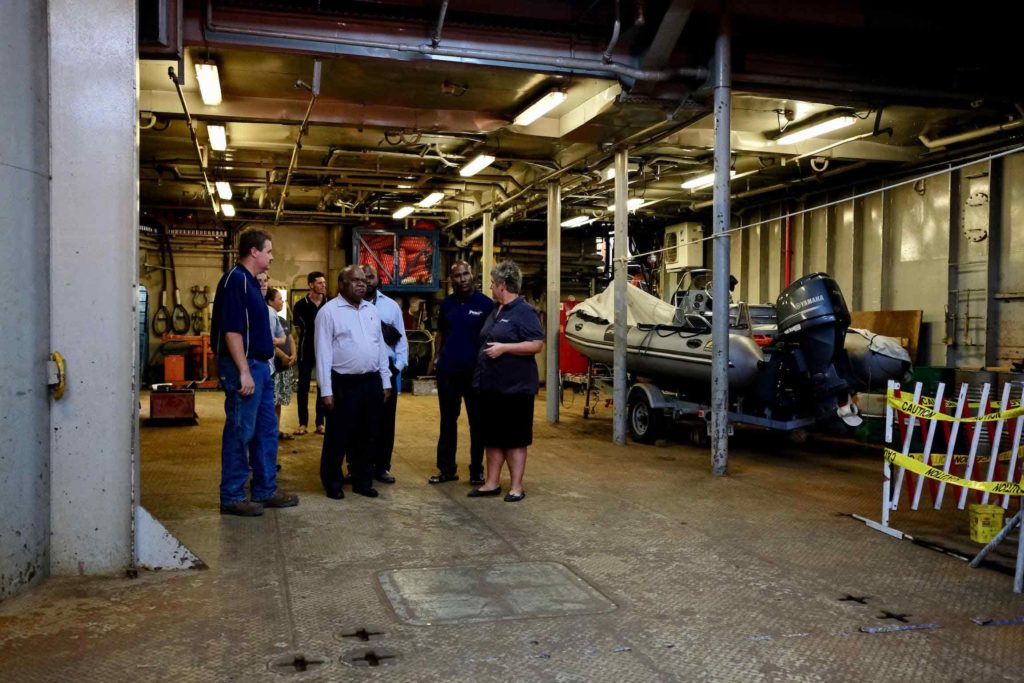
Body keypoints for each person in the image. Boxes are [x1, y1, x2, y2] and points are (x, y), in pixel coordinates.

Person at [210, 229, 299, 516]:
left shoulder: (249, 282)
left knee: (266, 430)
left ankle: (264, 489)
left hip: (261, 367)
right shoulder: (236, 280)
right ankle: (233, 496)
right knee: (240, 430)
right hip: (245, 367)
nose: (272, 257)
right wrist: (244, 371)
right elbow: (232, 331)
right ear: (254, 252)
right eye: (269, 251)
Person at [468, 261, 543, 503]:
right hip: (490, 386)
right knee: (491, 436)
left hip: (515, 389)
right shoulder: (496, 309)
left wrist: (505, 348)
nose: (490, 287)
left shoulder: (525, 312)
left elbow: (536, 344)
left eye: (492, 283)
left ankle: (516, 487)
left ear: (502, 285)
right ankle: (491, 483)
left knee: (515, 439)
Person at [315, 266, 392, 499]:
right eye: (355, 280)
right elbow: (323, 354)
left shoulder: (371, 310)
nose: (361, 284)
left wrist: (385, 380)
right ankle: (333, 482)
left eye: (363, 280)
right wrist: (326, 391)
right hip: (343, 383)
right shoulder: (329, 312)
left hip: (370, 382)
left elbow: (380, 348)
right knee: (339, 435)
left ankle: (362, 480)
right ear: (341, 284)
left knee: (367, 435)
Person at [428, 260, 494, 485]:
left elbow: (491, 338)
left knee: (478, 424)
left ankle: (477, 470)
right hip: (448, 372)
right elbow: (440, 333)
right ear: (451, 279)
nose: (462, 279)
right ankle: (446, 469)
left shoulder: (486, 304)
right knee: (448, 421)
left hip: (475, 374)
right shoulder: (447, 304)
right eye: (457, 275)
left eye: (465, 274)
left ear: (473, 274)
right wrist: (437, 357)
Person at [362, 264, 407, 485]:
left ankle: (382, 467)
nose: (367, 281)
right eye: (363, 277)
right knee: (361, 421)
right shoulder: (350, 305)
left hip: (386, 368)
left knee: (385, 422)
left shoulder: (390, 307)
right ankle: (359, 466)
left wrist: (398, 366)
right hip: (361, 370)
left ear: (378, 279)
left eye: (371, 277)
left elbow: (402, 341)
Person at [292, 271, 328, 436]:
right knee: (303, 387)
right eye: (320, 283)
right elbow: (299, 331)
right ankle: (302, 423)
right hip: (306, 350)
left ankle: (320, 423)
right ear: (311, 285)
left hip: (324, 351)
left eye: (324, 282)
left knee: (323, 386)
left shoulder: (329, 303)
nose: (323, 285)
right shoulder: (300, 306)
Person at [267, 287, 297, 441]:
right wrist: (283, 356)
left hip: (285, 366)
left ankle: (276, 430)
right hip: (274, 368)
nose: (282, 302)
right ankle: (269, 432)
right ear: (270, 301)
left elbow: (290, 338)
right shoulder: (267, 318)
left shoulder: (282, 320)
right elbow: (269, 342)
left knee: (278, 401)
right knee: (270, 402)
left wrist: (294, 354)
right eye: (280, 299)